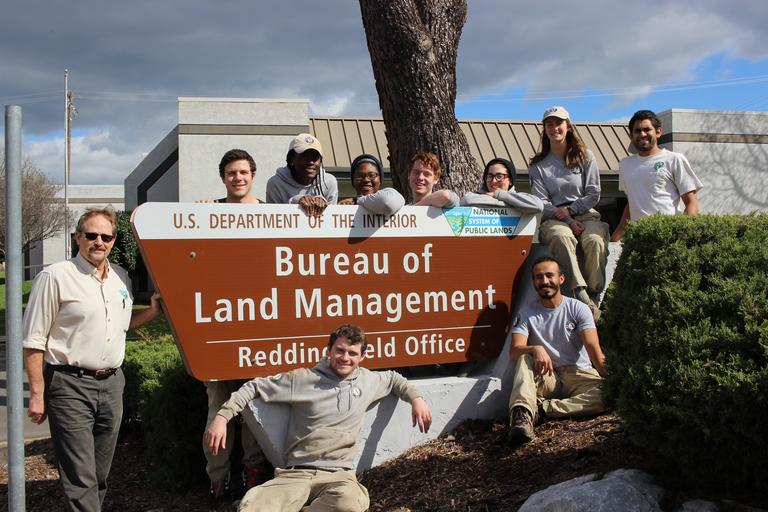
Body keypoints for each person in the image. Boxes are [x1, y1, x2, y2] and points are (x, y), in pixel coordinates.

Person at [204, 324, 432, 512]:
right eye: (340, 351)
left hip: (338, 477)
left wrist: (417, 399)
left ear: (362, 357)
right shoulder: (302, 379)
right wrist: (222, 417)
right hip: (295, 474)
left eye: (352, 353)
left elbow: (394, 379)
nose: (345, 358)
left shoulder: (368, 381)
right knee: (254, 507)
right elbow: (253, 387)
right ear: (329, 350)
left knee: (350, 504)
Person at [22, 206, 163, 511]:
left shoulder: (120, 278)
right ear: (78, 237)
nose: (99, 241)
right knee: (80, 477)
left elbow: (120, 325)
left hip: (112, 385)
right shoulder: (55, 277)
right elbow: (33, 340)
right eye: (91, 235)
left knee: (99, 474)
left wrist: (152, 312)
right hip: (69, 385)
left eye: (106, 237)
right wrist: (37, 393)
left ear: (113, 241)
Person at [200, 149, 270, 502]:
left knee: (254, 403)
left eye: (243, 172)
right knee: (218, 405)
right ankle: (219, 476)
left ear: (253, 175)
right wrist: (198, 214)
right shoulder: (209, 211)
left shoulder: (271, 213)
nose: (237, 178)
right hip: (218, 327)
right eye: (231, 173)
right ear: (223, 177)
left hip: (257, 325)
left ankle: (252, 471)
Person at [507, 257, 606, 447]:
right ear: (534, 282)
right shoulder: (526, 313)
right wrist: (535, 348)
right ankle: (521, 417)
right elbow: (514, 351)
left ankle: (544, 409)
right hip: (548, 376)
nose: (544, 281)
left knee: (609, 394)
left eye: (549, 275)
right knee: (524, 358)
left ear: (561, 279)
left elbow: (593, 348)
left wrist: (613, 379)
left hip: (578, 373)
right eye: (538, 277)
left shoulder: (578, 308)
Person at [528, 106, 609, 315]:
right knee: (562, 237)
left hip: (585, 214)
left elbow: (593, 193)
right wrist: (567, 219)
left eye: (559, 123)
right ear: (545, 129)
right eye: (549, 124)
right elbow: (541, 201)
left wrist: (572, 211)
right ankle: (580, 295)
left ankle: (594, 294)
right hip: (554, 218)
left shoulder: (585, 156)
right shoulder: (538, 165)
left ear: (568, 126)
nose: (554, 128)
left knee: (594, 241)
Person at [611, 110, 703, 242]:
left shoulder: (674, 159)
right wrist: (615, 238)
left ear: (658, 132)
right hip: (638, 241)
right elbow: (632, 204)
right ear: (631, 135)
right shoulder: (625, 164)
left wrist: (681, 238)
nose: (642, 134)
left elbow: (691, 203)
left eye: (647, 129)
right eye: (637, 131)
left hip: (668, 238)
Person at [266, 133, 338, 217]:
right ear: (291, 160)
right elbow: (273, 219)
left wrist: (324, 204)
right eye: (305, 157)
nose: (311, 162)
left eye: (315, 157)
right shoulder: (276, 183)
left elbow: (331, 219)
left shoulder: (329, 182)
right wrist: (295, 202)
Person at [461, 157, 544, 213]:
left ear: (510, 180)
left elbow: (538, 205)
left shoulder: (521, 197)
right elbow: (467, 200)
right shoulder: (472, 196)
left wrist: (498, 195)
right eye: (489, 176)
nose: (493, 181)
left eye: (499, 176)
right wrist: (515, 204)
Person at [338, 153, 405, 214]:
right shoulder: (346, 206)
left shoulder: (391, 194)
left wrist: (357, 200)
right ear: (353, 180)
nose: (366, 180)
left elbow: (387, 203)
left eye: (371, 175)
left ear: (380, 179)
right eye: (360, 175)